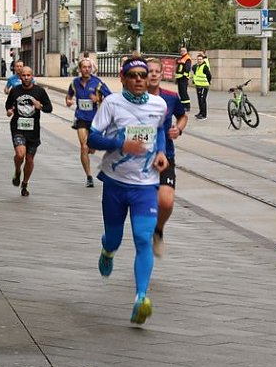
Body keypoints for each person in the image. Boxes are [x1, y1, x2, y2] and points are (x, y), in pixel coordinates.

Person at [87, 58, 169, 325]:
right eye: (133, 75)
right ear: (122, 78)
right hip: (115, 183)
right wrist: (121, 144)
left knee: (143, 238)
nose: (139, 79)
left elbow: (160, 130)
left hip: (145, 185)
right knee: (114, 239)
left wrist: (161, 152)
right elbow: (92, 138)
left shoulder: (159, 104)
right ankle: (107, 251)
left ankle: (141, 298)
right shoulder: (112, 104)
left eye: (142, 75)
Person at [146, 57, 187, 258]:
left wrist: (178, 129)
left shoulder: (170, 97)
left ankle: (158, 230)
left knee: (167, 202)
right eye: (149, 71)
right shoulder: (135, 98)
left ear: (162, 74)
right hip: (140, 159)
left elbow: (183, 116)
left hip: (165, 157)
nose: (153, 74)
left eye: (157, 71)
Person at [6, 66, 53, 197]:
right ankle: (17, 170)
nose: (26, 78)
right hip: (18, 127)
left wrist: (40, 106)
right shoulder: (15, 90)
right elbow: (8, 104)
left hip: (33, 130)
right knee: (20, 154)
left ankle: (25, 183)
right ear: (20, 77)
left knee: (30, 159)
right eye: (24, 75)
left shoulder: (40, 91)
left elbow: (49, 108)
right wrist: (9, 110)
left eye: (28, 75)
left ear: (32, 76)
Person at [65, 58, 111, 187]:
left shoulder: (98, 83)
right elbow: (69, 96)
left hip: (96, 120)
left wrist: (98, 99)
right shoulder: (74, 83)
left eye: (88, 67)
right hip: (81, 118)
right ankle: (89, 176)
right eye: (84, 67)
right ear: (80, 69)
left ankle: (90, 149)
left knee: (91, 148)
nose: (86, 69)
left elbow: (110, 97)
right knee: (84, 146)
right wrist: (68, 101)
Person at [192, 51, 212, 119]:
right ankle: (200, 112)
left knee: (202, 99)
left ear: (203, 60)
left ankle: (204, 115)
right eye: (198, 59)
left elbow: (209, 75)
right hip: (198, 85)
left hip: (204, 86)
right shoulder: (197, 66)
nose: (199, 60)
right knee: (199, 99)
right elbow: (195, 72)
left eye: (200, 59)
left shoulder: (205, 66)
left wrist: (208, 82)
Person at [175, 46, 192, 111]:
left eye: (183, 51)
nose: (182, 52)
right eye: (181, 51)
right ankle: (183, 105)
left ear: (186, 51)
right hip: (180, 78)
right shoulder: (181, 58)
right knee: (181, 92)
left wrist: (184, 76)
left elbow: (187, 68)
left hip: (183, 78)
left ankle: (187, 106)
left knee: (184, 92)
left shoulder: (187, 58)